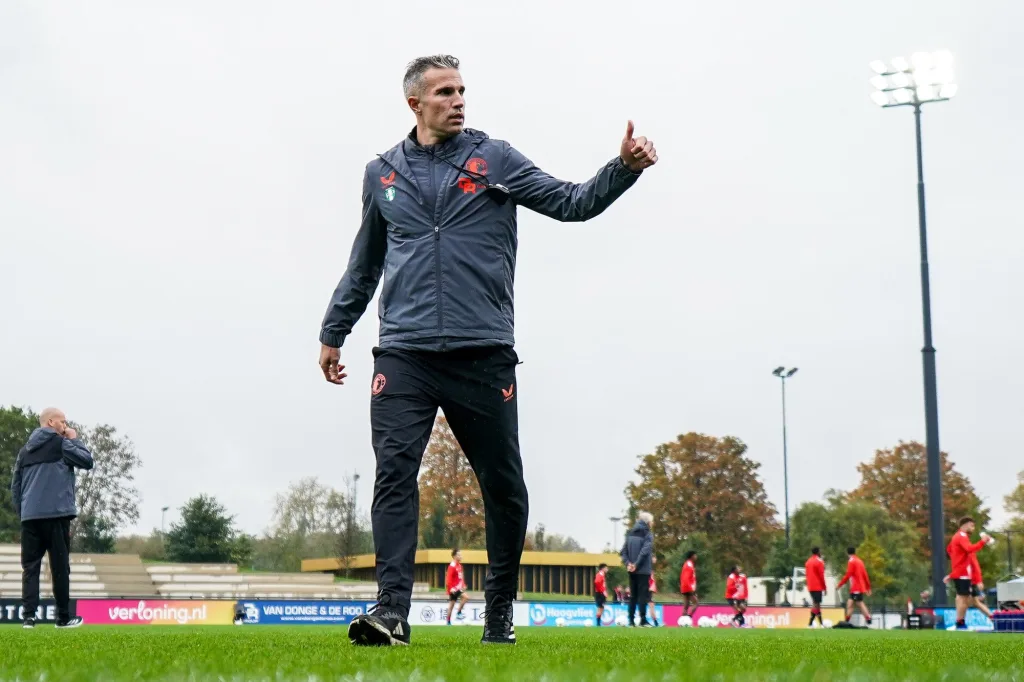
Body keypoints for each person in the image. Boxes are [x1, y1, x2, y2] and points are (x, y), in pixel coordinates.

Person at [319, 54, 657, 648]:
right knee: (393, 475)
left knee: (504, 487)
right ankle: (390, 612)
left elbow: (571, 201)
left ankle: (498, 611)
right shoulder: (382, 173)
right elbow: (365, 262)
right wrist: (333, 331)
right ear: (414, 103)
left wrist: (623, 168)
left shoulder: (494, 158)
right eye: (445, 92)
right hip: (404, 352)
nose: (458, 100)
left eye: (462, 90)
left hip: (484, 354)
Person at [10, 407, 92, 629]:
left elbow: (15, 486)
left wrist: (23, 512)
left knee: (30, 568)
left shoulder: (24, 452)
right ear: (50, 422)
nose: (65, 426)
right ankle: (63, 618)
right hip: (56, 515)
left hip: (30, 518)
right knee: (59, 567)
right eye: (63, 422)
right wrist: (75, 439)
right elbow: (87, 461)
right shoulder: (62, 444)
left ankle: (28, 618)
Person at [946, 516, 991, 630]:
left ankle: (961, 623)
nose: (973, 528)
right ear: (965, 525)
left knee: (965, 600)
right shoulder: (961, 536)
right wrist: (983, 542)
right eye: (972, 525)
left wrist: (953, 573)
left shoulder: (958, 537)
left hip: (963, 574)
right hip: (963, 574)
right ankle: (960, 624)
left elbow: (950, 550)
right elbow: (969, 549)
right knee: (963, 599)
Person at [620, 512, 655, 627]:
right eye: (651, 521)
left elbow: (623, 552)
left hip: (631, 570)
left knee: (633, 595)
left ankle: (630, 620)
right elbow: (645, 551)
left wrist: (628, 563)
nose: (652, 523)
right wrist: (636, 564)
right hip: (643, 569)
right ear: (648, 522)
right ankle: (643, 620)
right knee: (642, 595)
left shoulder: (630, 533)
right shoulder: (647, 534)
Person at [837, 546, 872, 627]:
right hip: (857, 587)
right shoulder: (860, 561)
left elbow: (848, 575)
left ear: (847, 553)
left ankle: (868, 618)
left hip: (856, 587)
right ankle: (847, 621)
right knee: (850, 603)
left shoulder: (851, 561)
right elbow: (865, 574)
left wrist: (840, 584)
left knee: (859, 603)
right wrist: (868, 587)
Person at [445, 548, 468, 625]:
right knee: (464, 598)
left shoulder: (459, 566)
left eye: (461, 555)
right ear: (454, 556)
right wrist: (450, 588)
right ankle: (457, 614)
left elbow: (460, 578)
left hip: (458, 588)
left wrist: (463, 585)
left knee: (453, 604)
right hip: (454, 589)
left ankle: (450, 620)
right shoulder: (452, 566)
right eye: (459, 555)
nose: (461, 556)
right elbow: (448, 578)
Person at [805, 547, 827, 628]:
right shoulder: (819, 561)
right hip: (817, 586)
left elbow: (807, 575)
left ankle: (819, 623)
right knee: (816, 604)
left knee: (816, 604)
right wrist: (825, 587)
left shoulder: (808, 562)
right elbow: (821, 576)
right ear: (818, 552)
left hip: (810, 586)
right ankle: (811, 624)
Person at [679, 551, 699, 622]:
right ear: (692, 556)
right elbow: (686, 578)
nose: (696, 557)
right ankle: (688, 618)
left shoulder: (688, 564)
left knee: (686, 605)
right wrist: (691, 589)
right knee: (696, 603)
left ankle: (682, 621)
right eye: (695, 555)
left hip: (685, 587)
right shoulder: (689, 564)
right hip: (688, 587)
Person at [646, 557, 660, 627]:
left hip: (649, 589)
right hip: (648, 589)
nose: (655, 559)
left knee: (651, 605)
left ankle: (655, 622)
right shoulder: (647, 567)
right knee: (651, 605)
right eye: (653, 558)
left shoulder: (649, 568)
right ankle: (655, 623)